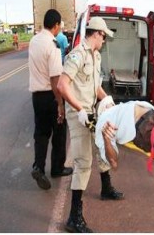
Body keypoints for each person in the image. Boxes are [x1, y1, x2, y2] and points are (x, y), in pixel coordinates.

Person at [57, 17, 123, 233]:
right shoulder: (77, 54)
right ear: (97, 34)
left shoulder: (95, 56)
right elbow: (62, 85)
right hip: (78, 116)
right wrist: (79, 109)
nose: (104, 41)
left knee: (101, 148)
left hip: (91, 112)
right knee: (84, 162)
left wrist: (108, 100)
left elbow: (94, 88)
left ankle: (106, 188)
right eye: (104, 37)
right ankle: (74, 218)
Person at [28, 9, 72, 190]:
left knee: (41, 133)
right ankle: (57, 168)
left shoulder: (34, 40)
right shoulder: (53, 45)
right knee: (60, 132)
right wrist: (60, 103)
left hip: (36, 96)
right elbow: (55, 79)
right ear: (56, 25)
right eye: (60, 25)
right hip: (50, 96)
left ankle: (38, 166)